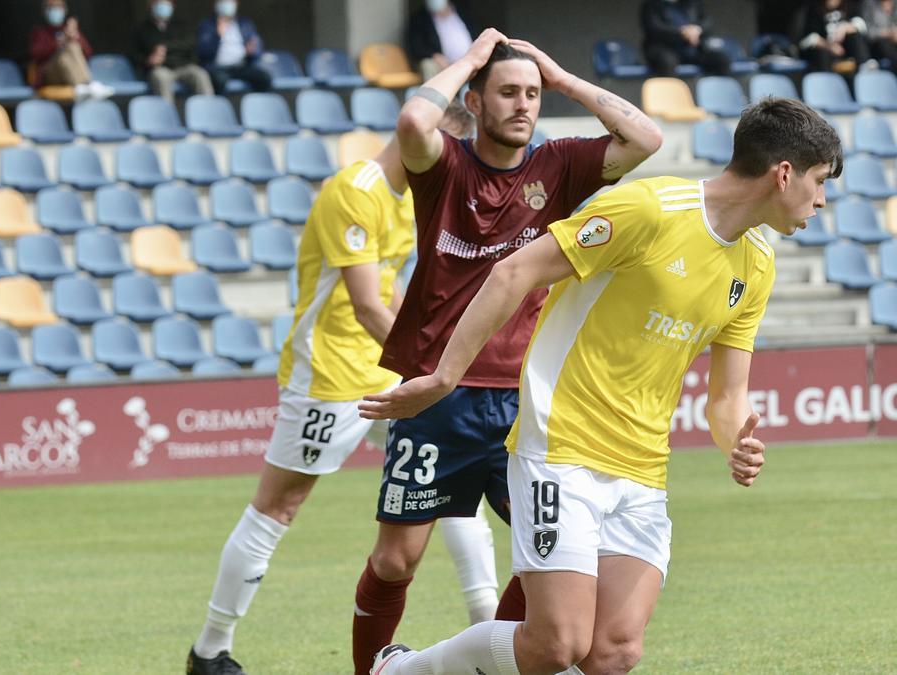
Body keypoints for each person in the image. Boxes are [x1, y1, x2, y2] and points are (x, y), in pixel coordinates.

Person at [362, 96, 841, 675]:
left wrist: (734, 441)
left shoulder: (757, 265)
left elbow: (725, 397)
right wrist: (443, 376)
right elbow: (515, 271)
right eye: (819, 182)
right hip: (560, 450)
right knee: (555, 645)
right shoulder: (649, 208)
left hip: (642, 471)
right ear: (783, 174)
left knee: (614, 652)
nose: (820, 201)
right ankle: (401, 672)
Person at [348, 28, 665, 675]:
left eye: (531, 93)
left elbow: (646, 139)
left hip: (529, 404)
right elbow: (413, 117)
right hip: (439, 390)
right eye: (508, 92)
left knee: (548, 561)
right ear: (475, 99)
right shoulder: (443, 166)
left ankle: (488, 664)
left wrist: (561, 74)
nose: (524, 104)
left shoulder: (558, 166)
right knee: (395, 560)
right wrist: (473, 53)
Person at [186, 102, 492, 675]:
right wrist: (438, 366)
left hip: (383, 370)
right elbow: (366, 304)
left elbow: (393, 300)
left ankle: (490, 629)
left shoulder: (404, 202)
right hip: (327, 376)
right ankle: (209, 650)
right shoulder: (355, 191)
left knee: (452, 480)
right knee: (280, 504)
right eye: (445, 154)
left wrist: (437, 355)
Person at [134, 0, 215, 106]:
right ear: (150, 5)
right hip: (160, 68)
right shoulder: (142, 29)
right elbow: (135, 55)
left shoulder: (182, 25)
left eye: (166, 3)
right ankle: (168, 117)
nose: (162, 6)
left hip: (184, 66)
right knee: (160, 78)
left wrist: (165, 47)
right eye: (158, 3)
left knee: (200, 74)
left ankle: (209, 111)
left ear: (172, 5)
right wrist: (149, 60)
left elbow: (190, 44)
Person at [28, 0, 114, 99]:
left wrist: (76, 37)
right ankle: (84, 85)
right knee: (63, 55)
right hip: (49, 75)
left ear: (65, 9)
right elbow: (36, 53)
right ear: (45, 11)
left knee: (73, 45)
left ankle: (85, 85)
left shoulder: (68, 29)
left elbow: (88, 53)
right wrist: (59, 43)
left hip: (68, 76)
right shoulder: (39, 31)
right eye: (51, 7)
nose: (55, 10)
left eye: (58, 7)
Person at [639, 0, 732, 77]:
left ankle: (719, 95)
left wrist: (697, 29)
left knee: (721, 60)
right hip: (663, 49)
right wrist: (683, 33)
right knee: (667, 62)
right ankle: (670, 97)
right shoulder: (651, 5)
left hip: (692, 49)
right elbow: (654, 28)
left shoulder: (692, 3)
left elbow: (708, 22)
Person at [195, 0, 271, 94]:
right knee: (219, 80)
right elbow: (203, 53)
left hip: (240, 67)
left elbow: (257, 48)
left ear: (236, 3)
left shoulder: (245, 24)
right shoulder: (207, 25)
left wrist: (251, 52)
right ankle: (220, 107)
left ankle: (256, 106)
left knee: (264, 78)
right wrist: (217, 36)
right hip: (217, 68)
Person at [407, 0, 479, 81]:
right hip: (442, 64)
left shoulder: (464, 12)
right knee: (428, 65)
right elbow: (417, 46)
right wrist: (434, 55)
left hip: (470, 61)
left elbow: (477, 35)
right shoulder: (419, 18)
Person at [799, 0, 872, 73]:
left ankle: (865, 69)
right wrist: (829, 46)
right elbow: (807, 39)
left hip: (847, 51)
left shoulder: (850, 5)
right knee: (822, 54)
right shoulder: (814, 9)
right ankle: (828, 80)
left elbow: (861, 25)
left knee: (855, 37)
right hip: (826, 53)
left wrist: (845, 28)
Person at [861, 0, 897, 68]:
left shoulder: (895, 3)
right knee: (884, 43)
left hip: (894, 41)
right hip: (876, 45)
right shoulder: (870, 3)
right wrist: (888, 33)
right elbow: (868, 32)